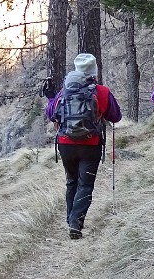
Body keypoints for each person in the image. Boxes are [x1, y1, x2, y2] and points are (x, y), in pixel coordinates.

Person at [45, 53, 122, 239]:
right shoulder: (102, 92)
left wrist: (50, 99)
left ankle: (71, 218)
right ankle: (76, 222)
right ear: (94, 72)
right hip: (90, 144)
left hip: (65, 145)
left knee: (71, 181)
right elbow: (116, 116)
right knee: (85, 185)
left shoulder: (64, 92)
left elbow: (51, 113)